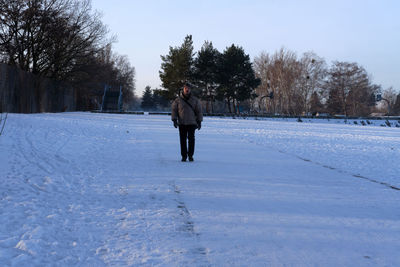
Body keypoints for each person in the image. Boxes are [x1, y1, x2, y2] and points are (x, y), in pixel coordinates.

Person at [171, 82, 203, 162]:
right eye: (185, 88)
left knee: (191, 140)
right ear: (183, 89)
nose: (187, 89)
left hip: (192, 123)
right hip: (182, 123)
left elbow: (199, 111)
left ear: (190, 89)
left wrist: (199, 121)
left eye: (188, 88)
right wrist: (174, 120)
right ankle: (184, 156)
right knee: (182, 140)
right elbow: (174, 110)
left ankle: (190, 155)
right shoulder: (177, 100)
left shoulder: (195, 100)